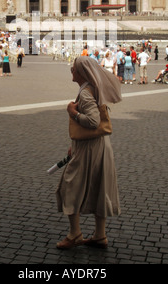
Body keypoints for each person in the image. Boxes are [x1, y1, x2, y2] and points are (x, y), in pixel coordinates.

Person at [56, 57, 122, 250]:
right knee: (99, 187)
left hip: (89, 149)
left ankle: (74, 234)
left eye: (73, 68)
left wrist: (72, 112)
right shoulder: (94, 88)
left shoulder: (85, 93)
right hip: (99, 145)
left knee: (70, 186)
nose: (71, 71)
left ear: (81, 72)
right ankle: (100, 235)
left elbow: (92, 122)